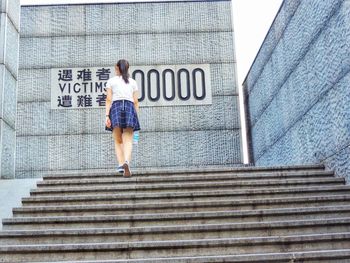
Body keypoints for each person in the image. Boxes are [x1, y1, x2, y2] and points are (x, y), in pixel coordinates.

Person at [105, 59, 140, 177]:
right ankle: (126, 161)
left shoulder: (111, 81)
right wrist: (136, 116)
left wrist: (107, 116)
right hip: (130, 107)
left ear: (118, 68)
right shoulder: (133, 82)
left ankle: (121, 164)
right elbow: (136, 101)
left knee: (118, 140)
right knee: (128, 139)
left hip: (116, 107)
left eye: (115, 68)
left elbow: (108, 99)